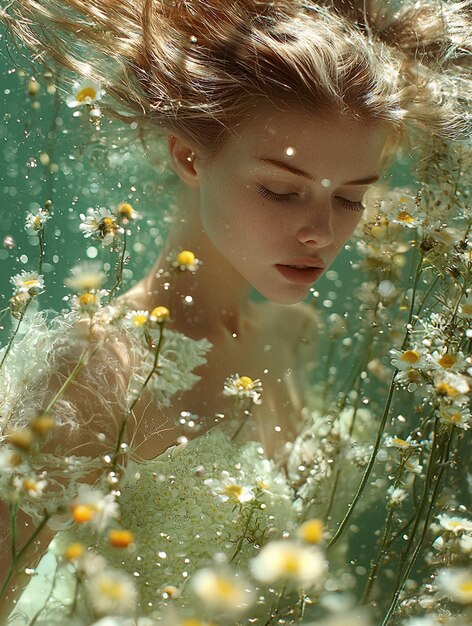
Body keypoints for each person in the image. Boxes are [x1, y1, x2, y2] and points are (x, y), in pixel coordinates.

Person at [0, 1, 470, 624]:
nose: (320, 232)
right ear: (189, 157)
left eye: (352, 198)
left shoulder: (293, 334)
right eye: (281, 189)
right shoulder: (100, 370)